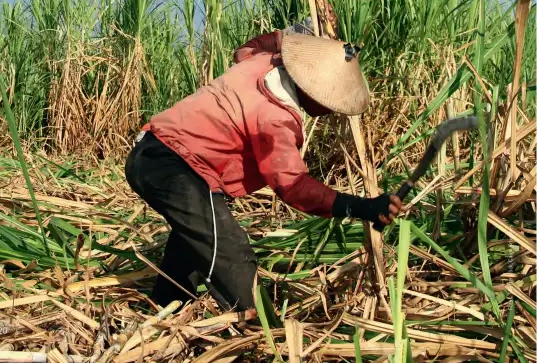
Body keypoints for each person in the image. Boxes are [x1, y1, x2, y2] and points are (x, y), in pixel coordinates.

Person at [125, 28, 403, 318]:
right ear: (312, 89)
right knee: (229, 250)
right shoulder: (277, 117)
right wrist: (361, 206)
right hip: (173, 166)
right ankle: (263, 332)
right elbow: (293, 186)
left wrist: (299, 36)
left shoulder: (261, 61)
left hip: (150, 151)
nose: (330, 109)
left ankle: (165, 308)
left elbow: (248, 46)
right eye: (329, 99)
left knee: (195, 242)